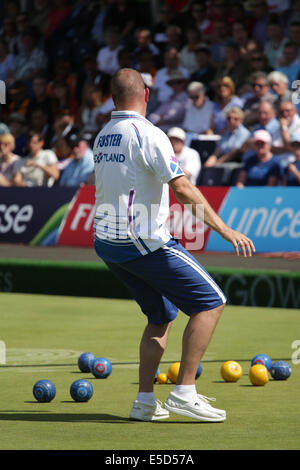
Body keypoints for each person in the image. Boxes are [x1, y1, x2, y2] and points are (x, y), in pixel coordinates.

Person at [92, 68, 255, 422]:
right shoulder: (147, 133)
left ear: (113, 98)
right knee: (212, 302)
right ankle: (184, 392)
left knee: (161, 315)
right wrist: (225, 230)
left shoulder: (103, 134)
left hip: (107, 243)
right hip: (142, 242)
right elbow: (181, 187)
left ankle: (145, 402)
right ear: (146, 94)